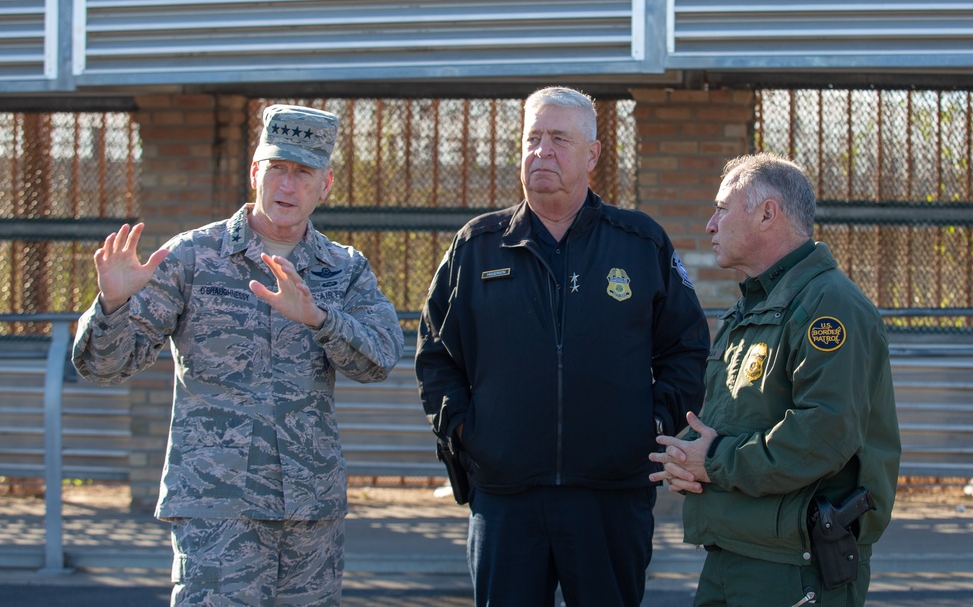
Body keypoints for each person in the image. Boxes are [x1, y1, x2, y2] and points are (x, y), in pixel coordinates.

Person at [73, 104, 405, 606]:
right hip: (217, 509)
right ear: (255, 172)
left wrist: (319, 319)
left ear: (327, 183)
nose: (287, 187)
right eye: (276, 169)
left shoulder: (343, 268)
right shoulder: (192, 256)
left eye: (302, 172)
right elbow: (105, 365)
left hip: (309, 511)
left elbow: (380, 359)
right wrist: (113, 304)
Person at [415, 86, 711, 607]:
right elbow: (436, 354)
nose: (541, 151)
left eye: (558, 139)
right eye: (532, 138)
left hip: (610, 497)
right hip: (506, 498)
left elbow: (686, 349)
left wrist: (655, 428)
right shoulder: (477, 246)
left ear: (592, 154)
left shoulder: (640, 243)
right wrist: (466, 432)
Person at [650, 152, 901, 606]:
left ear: (768, 213)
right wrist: (688, 453)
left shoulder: (830, 305)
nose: (710, 224)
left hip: (794, 565)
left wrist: (714, 461)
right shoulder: (756, 305)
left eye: (723, 208)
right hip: (734, 548)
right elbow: (737, 416)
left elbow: (824, 432)